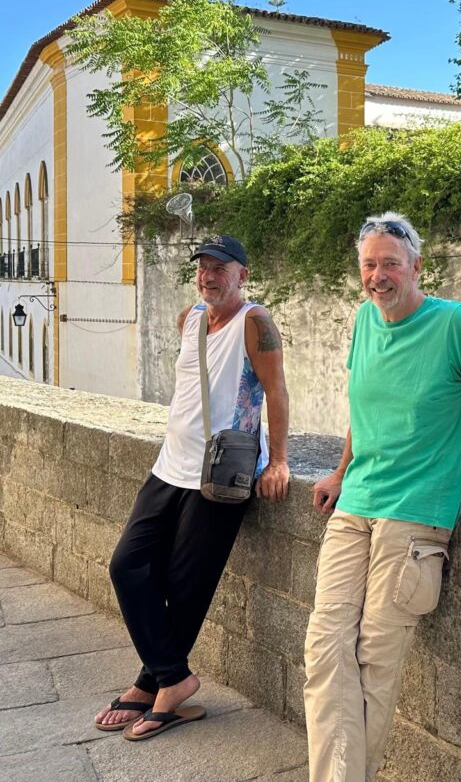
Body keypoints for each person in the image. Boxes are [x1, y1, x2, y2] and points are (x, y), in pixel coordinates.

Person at [303, 212, 461, 782]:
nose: (379, 275)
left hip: (415, 520)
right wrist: (339, 469)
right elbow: (362, 407)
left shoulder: (455, 324)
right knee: (325, 651)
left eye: (390, 264)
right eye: (369, 265)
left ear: (416, 267)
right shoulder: (364, 321)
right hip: (356, 506)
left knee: (375, 665)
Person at [94, 234, 291, 739]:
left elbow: (276, 391)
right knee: (127, 566)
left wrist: (280, 462)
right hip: (170, 465)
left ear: (242, 274)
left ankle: (153, 685)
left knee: (185, 585)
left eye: (219, 267)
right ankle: (171, 678)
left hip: (221, 474)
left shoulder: (256, 322)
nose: (208, 275)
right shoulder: (190, 319)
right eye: (203, 266)